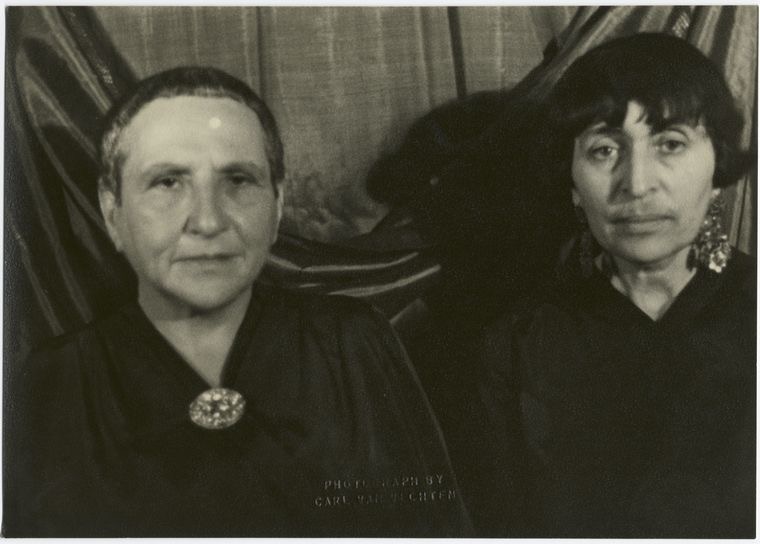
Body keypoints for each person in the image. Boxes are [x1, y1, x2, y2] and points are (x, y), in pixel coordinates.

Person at [3, 66, 472, 537]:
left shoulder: (350, 343)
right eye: (168, 182)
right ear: (112, 213)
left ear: (277, 206)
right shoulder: (52, 383)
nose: (208, 221)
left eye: (239, 180)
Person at [474, 33, 755, 537]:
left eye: (670, 144)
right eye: (604, 150)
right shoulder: (516, 347)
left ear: (718, 170)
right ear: (573, 185)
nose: (637, 183)